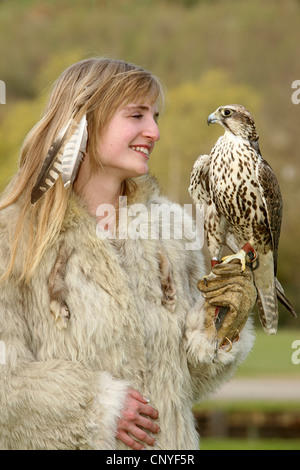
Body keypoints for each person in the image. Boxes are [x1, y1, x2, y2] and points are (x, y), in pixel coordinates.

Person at [0, 57, 256, 450]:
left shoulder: (172, 230)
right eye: (136, 115)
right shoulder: (13, 237)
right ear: (84, 120)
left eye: (155, 116)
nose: (153, 131)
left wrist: (219, 327)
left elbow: (186, 380)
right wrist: (95, 408)